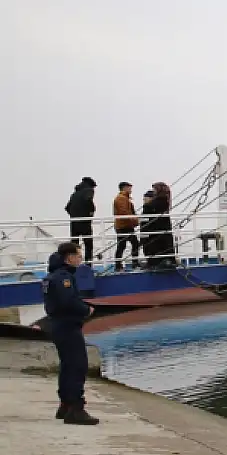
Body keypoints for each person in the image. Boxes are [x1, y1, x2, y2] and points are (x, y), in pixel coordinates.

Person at [43, 242, 99, 425]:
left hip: (59, 325)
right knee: (77, 365)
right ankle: (76, 408)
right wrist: (86, 310)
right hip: (67, 325)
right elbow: (68, 302)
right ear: (69, 257)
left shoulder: (52, 276)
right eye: (78, 256)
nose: (80, 259)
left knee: (67, 365)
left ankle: (66, 405)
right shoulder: (63, 278)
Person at [64, 177, 96, 264]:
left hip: (74, 223)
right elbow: (89, 202)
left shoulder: (74, 194)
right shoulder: (89, 190)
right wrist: (91, 212)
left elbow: (67, 208)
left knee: (74, 246)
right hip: (85, 223)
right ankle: (88, 265)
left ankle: (73, 265)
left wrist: (74, 215)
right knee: (88, 245)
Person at [146, 182, 176, 268]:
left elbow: (148, 211)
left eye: (154, 189)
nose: (153, 191)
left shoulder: (156, 203)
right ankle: (169, 260)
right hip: (165, 228)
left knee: (156, 246)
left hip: (156, 229)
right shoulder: (166, 201)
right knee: (167, 245)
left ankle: (155, 262)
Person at [112, 182, 140, 271]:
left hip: (125, 225)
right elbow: (124, 212)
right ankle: (131, 264)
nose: (131, 189)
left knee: (124, 245)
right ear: (124, 188)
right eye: (129, 187)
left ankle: (120, 265)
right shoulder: (121, 198)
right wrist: (135, 220)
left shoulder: (124, 198)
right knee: (129, 244)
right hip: (124, 226)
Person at [138, 189, 155, 265]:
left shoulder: (149, 207)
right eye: (144, 199)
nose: (144, 200)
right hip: (144, 231)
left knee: (148, 248)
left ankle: (150, 262)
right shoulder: (146, 207)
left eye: (145, 198)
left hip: (148, 232)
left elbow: (146, 220)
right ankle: (149, 261)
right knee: (146, 248)